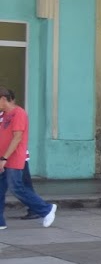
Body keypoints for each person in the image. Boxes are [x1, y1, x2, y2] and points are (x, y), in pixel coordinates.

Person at [0, 87, 57, 230]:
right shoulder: (5, 115)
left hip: (13, 158)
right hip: (4, 157)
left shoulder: (18, 113)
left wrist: (4, 158)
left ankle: (46, 209)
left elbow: (17, 137)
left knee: (17, 188)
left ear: (3, 99)